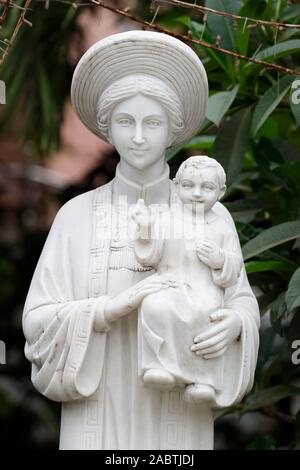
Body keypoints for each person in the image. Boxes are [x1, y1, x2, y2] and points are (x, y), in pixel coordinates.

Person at [22, 31, 260, 450]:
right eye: (124, 121)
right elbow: (37, 321)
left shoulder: (211, 213)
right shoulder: (75, 217)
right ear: (107, 128)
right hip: (97, 401)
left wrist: (237, 325)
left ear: (172, 129)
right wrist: (110, 309)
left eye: (152, 123)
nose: (137, 137)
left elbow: (239, 296)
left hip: (178, 406)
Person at [131, 156, 243, 405]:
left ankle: (204, 380)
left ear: (221, 192)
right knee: (154, 306)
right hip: (170, 286)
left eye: (207, 187)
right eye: (188, 186)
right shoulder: (166, 220)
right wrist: (145, 228)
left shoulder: (221, 227)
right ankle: (158, 365)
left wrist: (220, 259)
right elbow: (149, 256)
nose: (197, 194)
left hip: (204, 291)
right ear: (176, 185)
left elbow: (234, 269)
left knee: (207, 319)